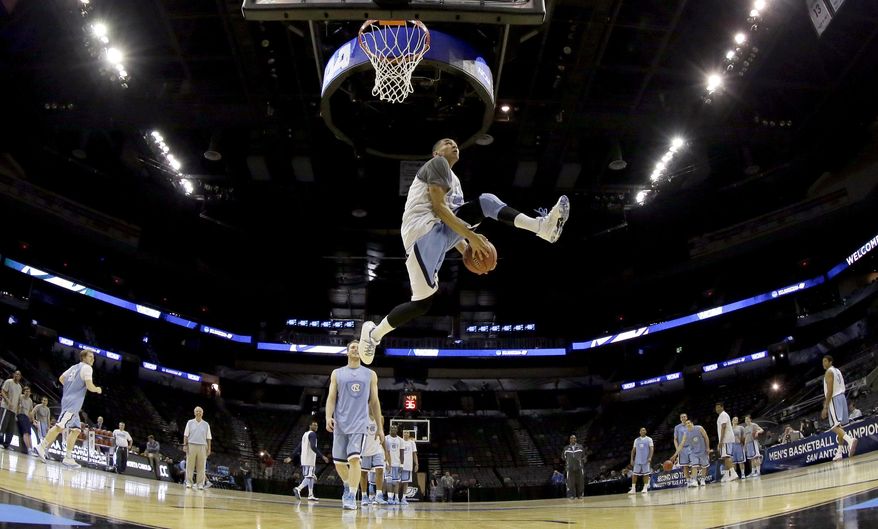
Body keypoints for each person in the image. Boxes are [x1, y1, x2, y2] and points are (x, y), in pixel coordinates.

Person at [357, 138, 571, 364]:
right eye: (447, 142)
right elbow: (440, 210)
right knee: (484, 204)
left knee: (422, 304)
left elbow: (453, 221)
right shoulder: (437, 165)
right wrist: (470, 237)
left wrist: (468, 249)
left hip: (435, 236)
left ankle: (373, 334)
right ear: (436, 152)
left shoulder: (455, 181)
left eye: (455, 142)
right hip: (421, 232)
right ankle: (541, 227)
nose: (453, 144)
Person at [325, 340, 383, 510]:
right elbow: (331, 397)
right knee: (339, 463)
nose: (356, 349)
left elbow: (374, 402)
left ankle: (351, 495)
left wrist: (379, 427)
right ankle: (347, 484)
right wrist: (328, 416)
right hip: (341, 423)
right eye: (352, 347)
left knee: (355, 458)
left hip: (360, 424)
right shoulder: (337, 373)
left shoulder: (370, 374)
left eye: (358, 347)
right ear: (347, 352)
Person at [35, 350, 102, 468]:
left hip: (68, 400)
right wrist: (97, 389)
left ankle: (68, 457)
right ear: (84, 358)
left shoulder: (74, 367)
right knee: (60, 426)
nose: (93, 359)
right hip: (73, 403)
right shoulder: (87, 368)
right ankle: (42, 446)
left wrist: (70, 388)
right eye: (90, 357)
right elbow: (90, 386)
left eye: (93, 357)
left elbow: (61, 378)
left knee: (76, 430)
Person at [821, 355, 857, 460]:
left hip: (834, 398)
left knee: (834, 427)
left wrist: (826, 407)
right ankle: (839, 452)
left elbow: (830, 390)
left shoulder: (828, 372)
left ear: (830, 362)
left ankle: (850, 440)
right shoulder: (837, 371)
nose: (823, 363)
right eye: (823, 361)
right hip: (842, 397)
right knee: (840, 426)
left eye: (825, 361)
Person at [288, 420, 329, 501]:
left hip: (304, 459)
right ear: (310, 426)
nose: (316, 427)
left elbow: (299, 447)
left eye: (317, 425)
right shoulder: (312, 434)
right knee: (310, 477)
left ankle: (310, 495)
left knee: (311, 477)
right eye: (314, 425)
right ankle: (298, 488)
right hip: (309, 459)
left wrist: (291, 457)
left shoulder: (305, 434)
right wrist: (322, 456)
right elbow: (313, 447)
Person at [670, 420, 710, 487]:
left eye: (689, 423)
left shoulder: (699, 428)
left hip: (702, 450)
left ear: (692, 423)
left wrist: (708, 447)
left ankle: (703, 480)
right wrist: (675, 454)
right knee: (694, 466)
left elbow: (706, 437)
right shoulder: (686, 433)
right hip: (693, 452)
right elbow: (681, 444)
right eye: (686, 424)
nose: (687, 424)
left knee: (704, 466)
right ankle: (694, 481)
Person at [359, 412, 387, 506]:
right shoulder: (362, 417)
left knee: (380, 470)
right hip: (365, 450)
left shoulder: (380, 418)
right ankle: (364, 496)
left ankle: (379, 495)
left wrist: (385, 451)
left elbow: (382, 434)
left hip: (377, 449)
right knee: (363, 473)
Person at [183, 406, 212, 490]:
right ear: (194, 413)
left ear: (202, 413)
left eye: (200, 411)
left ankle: (200, 484)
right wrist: (185, 445)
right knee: (189, 465)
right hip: (191, 445)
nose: (198, 413)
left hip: (203, 446)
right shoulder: (190, 422)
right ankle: (188, 482)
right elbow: (185, 435)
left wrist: (209, 448)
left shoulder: (206, 424)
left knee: (201, 466)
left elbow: (209, 438)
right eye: (197, 411)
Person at [715, 402, 739, 482]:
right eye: (716, 408)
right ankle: (726, 475)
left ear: (722, 407)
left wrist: (721, 441)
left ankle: (733, 473)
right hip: (725, 439)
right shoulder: (721, 416)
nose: (717, 409)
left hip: (726, 439)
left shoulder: (723, 415)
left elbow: (724, 427)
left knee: (727, 456)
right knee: (725, 457)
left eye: (718, 407)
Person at [1, 370, 23, 449]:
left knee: (10, 428)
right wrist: (8, 401)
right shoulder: (8, 382)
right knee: (2, 426)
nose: (17, 375)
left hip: (13, 411)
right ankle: (0, 442)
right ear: (13, 374)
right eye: (16, 374)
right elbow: (2, 392)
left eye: (19, 374)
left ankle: (6, 445)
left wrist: (17, 410)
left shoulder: (20, 387)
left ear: (20, 377)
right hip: (5, 408)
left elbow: (18, 400)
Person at [628, 427, 653, 494]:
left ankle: (645, 488)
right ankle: (633, 489)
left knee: (646, 474)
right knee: (634, 474)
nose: (643, 431)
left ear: (646, 431)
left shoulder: (649, 439)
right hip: (637, 460)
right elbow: (633, 450)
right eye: (641, 430)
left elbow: (651, 449)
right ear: (640, 432)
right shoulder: (636, 440)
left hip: (646, 460)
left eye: (644, 430)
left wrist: (650, 457)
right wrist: (631, 459)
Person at [562, 434, 585, 499]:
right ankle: (571, 495)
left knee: (580, 481)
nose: (573, 439)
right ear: (570, 440)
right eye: (571, 438)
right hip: (570, 468)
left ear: (576, 439)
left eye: (574, 438)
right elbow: (563, 457)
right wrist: (569, 462)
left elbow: (583, 456)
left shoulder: (580, 447)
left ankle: (580, 495)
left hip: (579, 467)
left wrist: (581, 462)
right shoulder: (566, 448)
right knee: (570, 482)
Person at [384, 424, 402, 504]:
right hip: (388, 464)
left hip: (397, 463)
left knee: (396, 482)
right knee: (389, 481)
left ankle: (397, 498)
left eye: (395, 428)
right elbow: (384, 451)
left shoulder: (400, 440)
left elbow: (401, 453)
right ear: (389, 429)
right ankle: (390, 498)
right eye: (392, 428)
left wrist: (402, 464)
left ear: (397, 430)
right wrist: (387, 463)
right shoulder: (386, 438)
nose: (394, 429)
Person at [399, 430, 418, 505]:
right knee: (398, 482)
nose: (406, 434)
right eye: (404, 432)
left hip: (408, 465)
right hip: (399, 465)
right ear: (402, 434)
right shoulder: (400, 441)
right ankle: (396, 497)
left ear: (409, 434)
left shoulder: (412, 442)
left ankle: (404, 498)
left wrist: (416, 464)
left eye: (407, 432)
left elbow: (414, 454)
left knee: (406, 482)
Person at [673, 413, 690, 485]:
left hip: (690, 447)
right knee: (685, 465)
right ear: (680, 419)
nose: (683, 418)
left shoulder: (690, 425)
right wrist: (677, 449)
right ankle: (688, 481)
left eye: (684, 416)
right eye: (682, 417)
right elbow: (675, 439)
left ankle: (694, 479)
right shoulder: (677, 427)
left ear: (686, 417)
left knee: (694, 465)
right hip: (682, 449)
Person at [16, 386, 34, 454]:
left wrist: (32, 419)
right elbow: (17, 406)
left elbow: (30, 410)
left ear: (30, 393)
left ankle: (31, 448)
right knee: (25, 432)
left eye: (28, 391)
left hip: (27, 417)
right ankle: (28, 448)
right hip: (21, 415)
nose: (27, 393)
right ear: (24, 392)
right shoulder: (20, 397)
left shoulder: (30, 400)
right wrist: (16, 415)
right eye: (26, 391)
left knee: (29, 433)